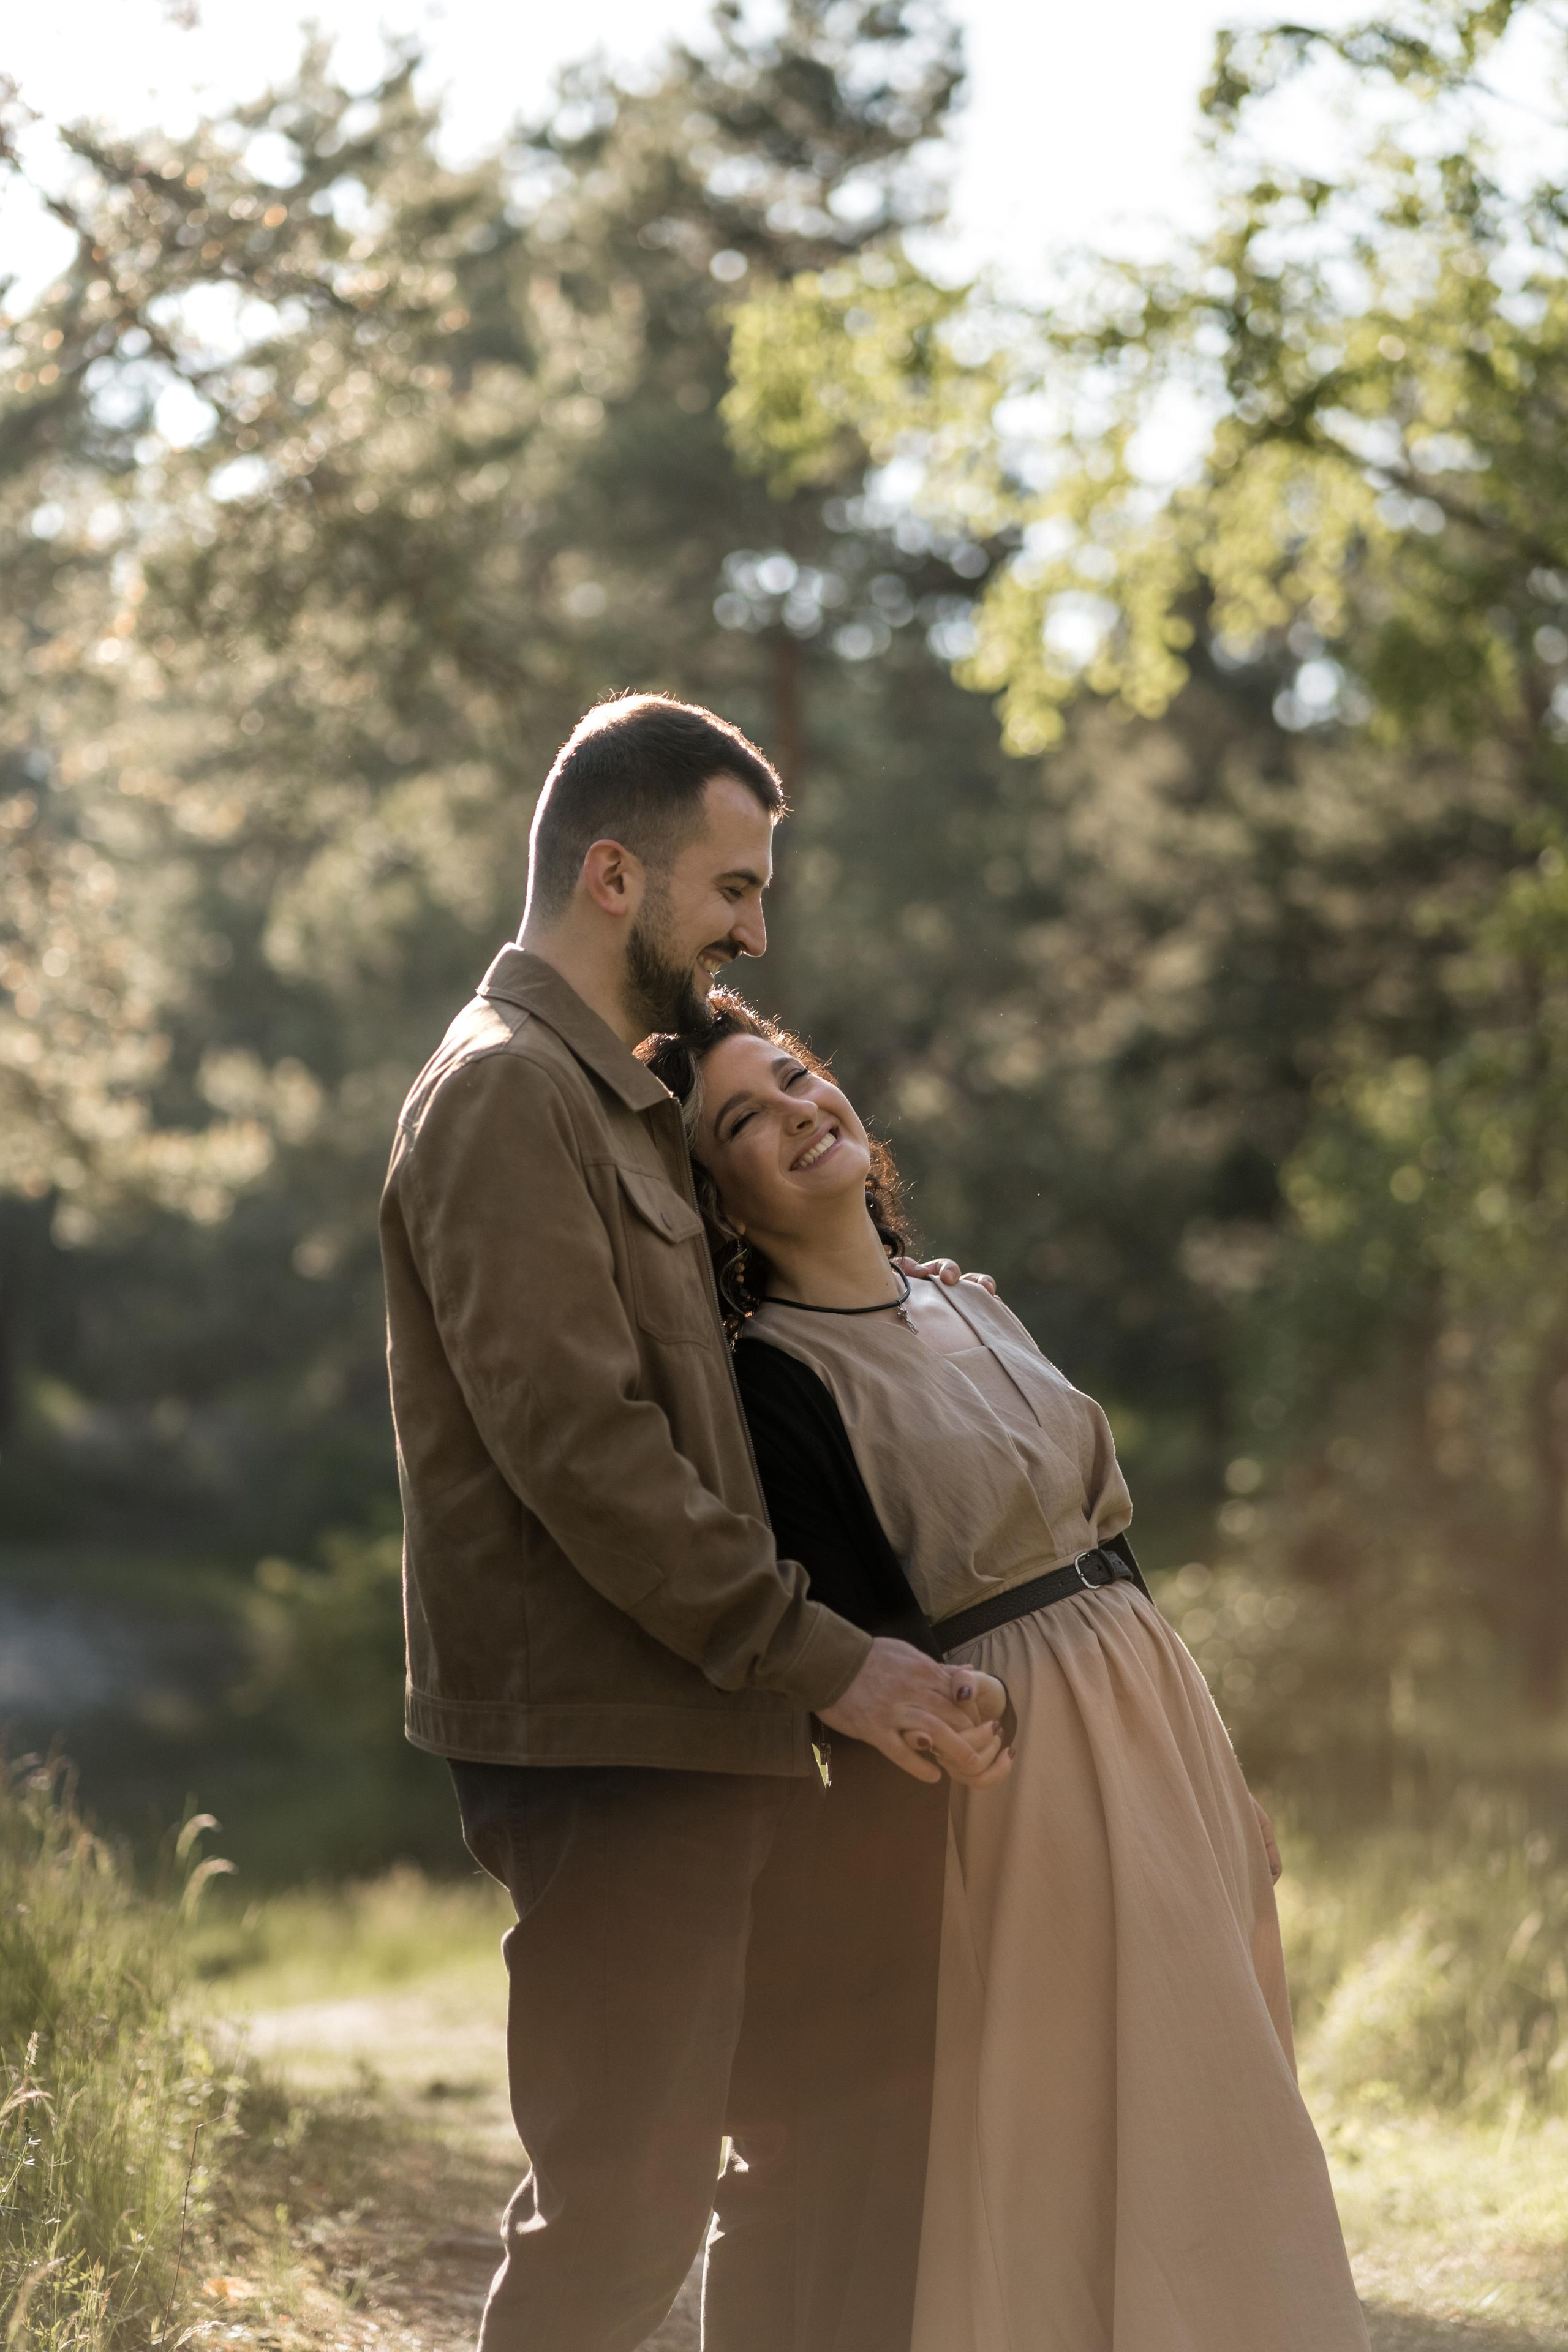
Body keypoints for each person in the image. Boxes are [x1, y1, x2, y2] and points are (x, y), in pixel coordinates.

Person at [378, 692, 1008, 2352]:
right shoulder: (508, 1094)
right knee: (624, 2205)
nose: (753, 924)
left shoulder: (615, 1106)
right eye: (731, 885)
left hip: (688, 1721)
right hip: (608, 1733)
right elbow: (582, 1447)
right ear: (613, 875)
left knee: (714, 2171)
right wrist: (818, 1660)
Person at [643, 991, 1374, 2352]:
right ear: (716, 1201)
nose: (797, 1108)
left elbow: (1111, 1554)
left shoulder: (967, 1301)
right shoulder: (771, 1379)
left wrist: (1224, 1793)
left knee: (1221, 2106)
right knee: (1085, 2144)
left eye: (795, 1074)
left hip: (1160, 1737)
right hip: (1017, 1787)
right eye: (741, 1117)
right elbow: (853, 1641)